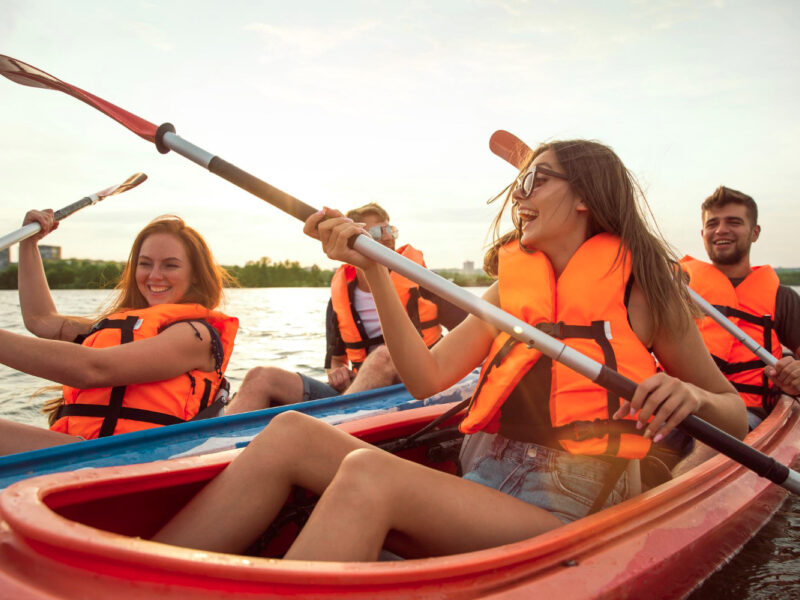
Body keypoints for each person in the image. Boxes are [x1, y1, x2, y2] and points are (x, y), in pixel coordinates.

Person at [152, 136, 746, 561]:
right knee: (288, 432)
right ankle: (137, 580)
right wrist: (377, 273)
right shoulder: (510, 291)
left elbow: (735, 413)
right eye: (520, 182)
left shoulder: (647, 291)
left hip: (565, 509)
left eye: (535, 180)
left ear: (586, 197)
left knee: (368, 475)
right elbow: (427, 378)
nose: (520, 195)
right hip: (479, 482)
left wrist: (690, 392)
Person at [0, 211, 238, 456]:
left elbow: (93, 369)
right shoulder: (113, 328)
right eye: (145, 263)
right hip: (88, 454)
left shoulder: (195, 336)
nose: (155, 275)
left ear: (196, 275)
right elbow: (40, 319)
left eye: (170, 265)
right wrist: (29, 243)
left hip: (132, 463)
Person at [225, 202, 466, 414]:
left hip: (420, 391)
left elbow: (471, 340)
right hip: (360, 392)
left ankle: (323, 430)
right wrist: (337, 370)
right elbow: (337, 360)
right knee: (259, 377)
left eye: (389, 229)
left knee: (383, 355)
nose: (386, 237)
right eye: (375, 232)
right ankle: (210, 453)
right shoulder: (340, 297)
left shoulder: (424, 282)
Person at [681, 186, 800, 429]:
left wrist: (796, 375)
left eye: (733, 222)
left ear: (755, 233)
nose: (721, 230)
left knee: (714, 433)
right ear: (703, 233)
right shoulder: (678, 290)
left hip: (746, 415)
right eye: (713, 223)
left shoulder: (782, 298)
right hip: (680, 403)